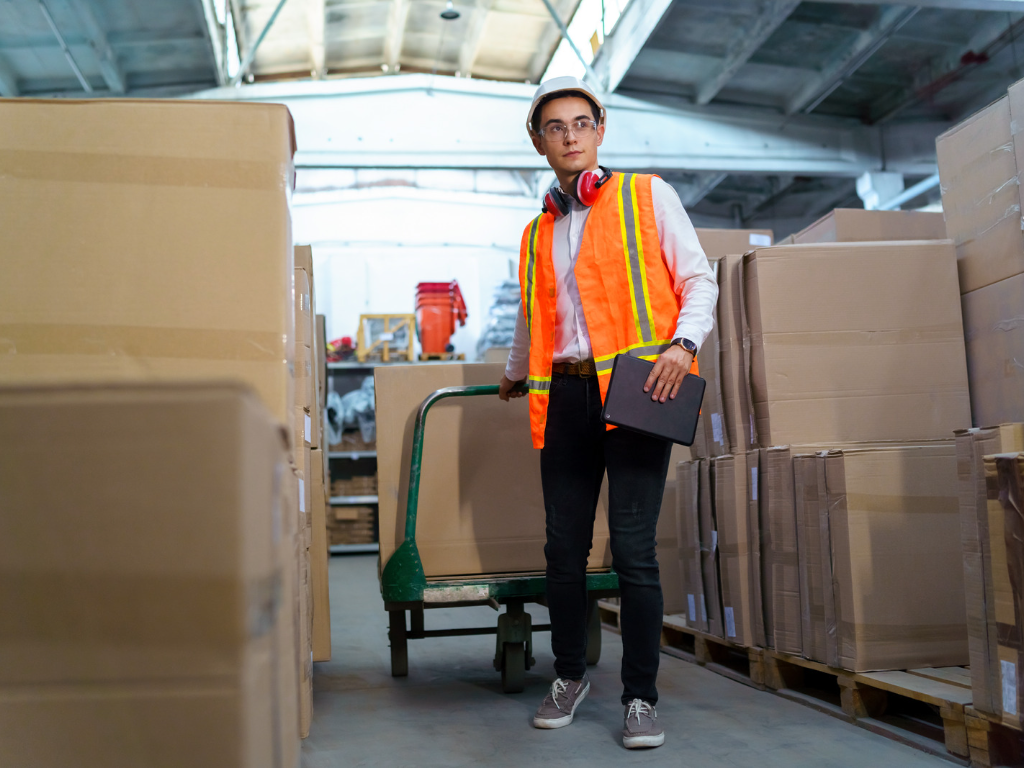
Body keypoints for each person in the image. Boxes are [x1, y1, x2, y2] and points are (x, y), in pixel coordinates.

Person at [497, 76, 718, 749]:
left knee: (633, 550)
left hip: (637, 391)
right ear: (539, 143)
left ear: (600, 131)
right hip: (563, 396)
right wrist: (513, 375)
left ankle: (640, 696)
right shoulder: (538, 231)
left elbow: (698, 279)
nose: (570, 136)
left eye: (580, 123)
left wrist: (683, 345)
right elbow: (533, 318)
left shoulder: (648, 196)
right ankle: (569, 675)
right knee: (563, 548)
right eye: (555, 127)